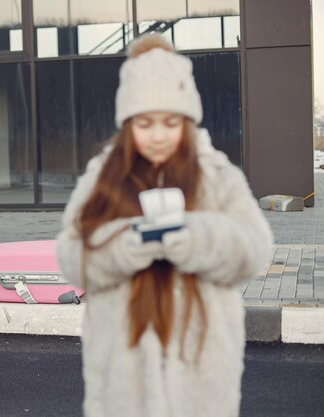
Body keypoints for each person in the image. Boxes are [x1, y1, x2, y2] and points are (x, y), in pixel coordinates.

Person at [56, 34, 272, 417]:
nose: (158, 135)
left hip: (202, 379)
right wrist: (124, 246)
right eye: (144, 123)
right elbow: (71, 256)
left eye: (171, 122)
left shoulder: (216, 173)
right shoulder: (103, 175)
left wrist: (197, 238)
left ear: (187, 121)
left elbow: (255, 250)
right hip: (121, 382)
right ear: (127, 124)